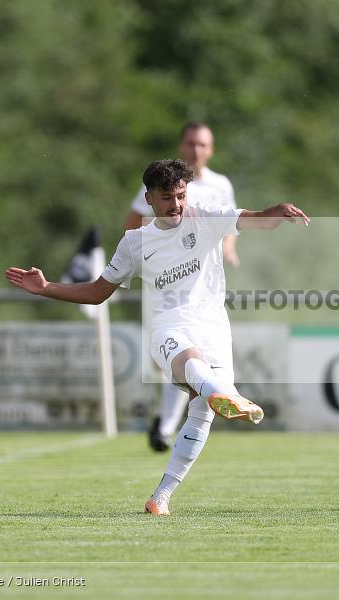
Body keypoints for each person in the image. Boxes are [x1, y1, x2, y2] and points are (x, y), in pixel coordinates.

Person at [6, 159, 309, 516]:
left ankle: (160, 497)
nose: (176, 204)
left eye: (181, 195)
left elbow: (254, 218)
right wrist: (46, 288)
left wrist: (276, 211)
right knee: (193, 364)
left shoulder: (206, 217)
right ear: (148, 199)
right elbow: (97, 292)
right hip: (169, 327)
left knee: (201, 416)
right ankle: (225, 395)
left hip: (214, 326)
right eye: (167, 197)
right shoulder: (135, 242)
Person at [124, 122, 239, 453]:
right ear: (181, 145)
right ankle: (168, 424)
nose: (196, 150)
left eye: (203, 145)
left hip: (205, 282)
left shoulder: (220, 185)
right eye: (191, 143)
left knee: (194, 356)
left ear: (211, 149)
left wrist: (229, 247)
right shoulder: (164, 183)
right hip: (167, 282)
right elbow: (133, 221)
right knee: (177, 354)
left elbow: (229, 221)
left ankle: (166, 426)